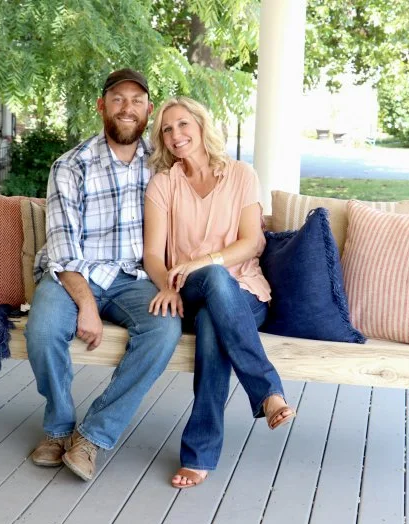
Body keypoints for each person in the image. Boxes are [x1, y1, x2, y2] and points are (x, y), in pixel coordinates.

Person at [25, 69, 182, 482]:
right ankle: (58, 430)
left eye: (136, 100)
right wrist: (87, 303)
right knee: (42, 332)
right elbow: (62, 247)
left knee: (165, 329)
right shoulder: (70, 165)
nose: (126, 108)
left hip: (135, 277)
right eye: (117, 99)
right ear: (101, 106)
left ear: (149, 110)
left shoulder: (163, 165)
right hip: (75, 274)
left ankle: (92, 436)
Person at [143, 96, 296, 489]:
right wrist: (169, 287)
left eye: (183, 125)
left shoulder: (242, 174)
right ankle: (267, 392)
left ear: (200, 125)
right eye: (167, 129)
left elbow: (252, 244)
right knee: (212, 281)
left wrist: (204, 259)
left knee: (215, 316)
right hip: (190, 289)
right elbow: (152, 255)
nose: (176, 135)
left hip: (245, 293)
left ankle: (199, 455)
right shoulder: (163, 184)